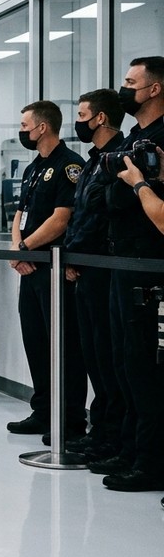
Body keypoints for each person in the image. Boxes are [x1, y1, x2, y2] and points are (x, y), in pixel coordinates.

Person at [101, 56, 164, 492]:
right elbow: (108, 196)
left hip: (150, 263)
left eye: (130, 83)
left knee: (146, 367)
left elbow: (135, 196)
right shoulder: (135, 138)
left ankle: (150, 461)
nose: (124, 90)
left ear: (154, 88)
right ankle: (129, 448)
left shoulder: (159, 140)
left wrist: (135, 186)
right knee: (123, 362)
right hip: (121, 258)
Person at [6, 101, 87, 438]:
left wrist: (26, 247)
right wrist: (15, 248)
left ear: (42, 127)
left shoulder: (70, 165)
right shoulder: (32, 168)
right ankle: (42, 411)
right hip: (31, 267)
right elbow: (20, 214)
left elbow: (62, 218)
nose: (21, 130)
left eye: (25, 124)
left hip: (56, 267)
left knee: (63, 347)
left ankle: (69, 420)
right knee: (36, 342)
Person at [61, 89, 125, 463]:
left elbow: (99, 215)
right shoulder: (94, 160)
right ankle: (99, 431)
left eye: (83, 114)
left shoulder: (116, 157)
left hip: (101, 265)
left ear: (100, 118)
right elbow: (80, 211)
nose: (79, 121)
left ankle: (111, 438)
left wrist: (79, 254)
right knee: (94, 356)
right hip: (85, 264)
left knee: (107, 355)